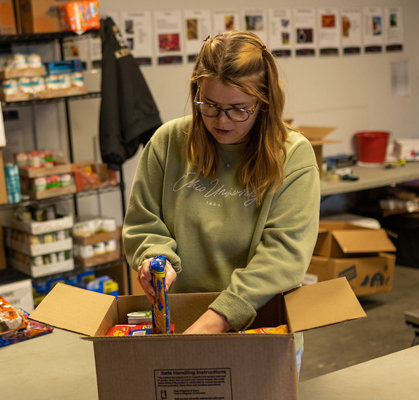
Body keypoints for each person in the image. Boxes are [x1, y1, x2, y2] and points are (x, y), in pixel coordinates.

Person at [122, 31, 320, 373]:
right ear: (196, 93)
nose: (221, 121)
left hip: (260, 328)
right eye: (209, 106)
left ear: (264, 102)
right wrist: (154, 258)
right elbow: (143, 223)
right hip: (181, 320)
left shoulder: (293, 155)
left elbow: (284, 256)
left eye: (239, 110)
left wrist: (215, 320)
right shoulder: (168, 142)